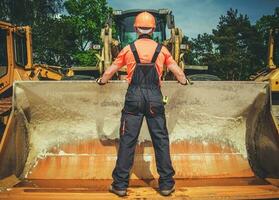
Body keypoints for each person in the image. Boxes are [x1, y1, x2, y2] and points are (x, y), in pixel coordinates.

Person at [96, 11, 189, 197]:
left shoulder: (128, 49)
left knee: (127, 141)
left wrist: (102, 81)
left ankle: (120, 185)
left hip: (133, 98)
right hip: (155, 98)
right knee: (160, 140)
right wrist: (185, 81)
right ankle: (166, 184)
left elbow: (110, 71)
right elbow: (178, 73)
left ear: (136, 28)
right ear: (154, 29)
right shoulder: (162, 50)